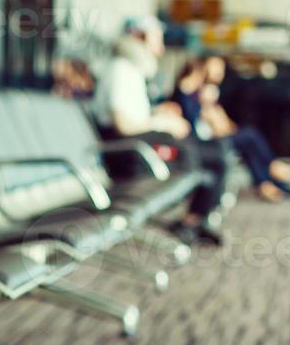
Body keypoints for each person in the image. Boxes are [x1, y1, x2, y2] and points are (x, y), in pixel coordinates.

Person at [95, 17, 227, 246]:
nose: (161, 48)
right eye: (157, 40)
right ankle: (191, 221)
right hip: (128, 153)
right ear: (139, 38)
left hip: (136, 145)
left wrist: (159, 114)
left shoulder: (130, 70)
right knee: (213, 156)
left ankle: (194, 220)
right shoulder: (121, 71)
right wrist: (163, 123)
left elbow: (133, 117)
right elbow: (124, 126)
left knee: (215, 152)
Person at [201, 56, 290, 200]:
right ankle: (272, 169)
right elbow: (212, 121)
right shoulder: (205, 91)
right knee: (250, 136)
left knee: (250, 149)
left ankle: (268, 183)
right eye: (216, 68)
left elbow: (224, 122)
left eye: (221, 68)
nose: (219, 72)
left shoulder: (214, 90)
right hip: (211, 140)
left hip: (221, 136)